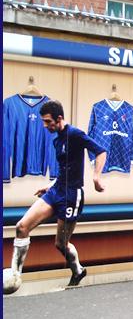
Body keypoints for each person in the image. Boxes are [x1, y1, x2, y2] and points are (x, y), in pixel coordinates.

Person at [8, 100, 107, 290]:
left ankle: (78, 270)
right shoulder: (57, 140)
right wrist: (50, 185)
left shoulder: (75, 134)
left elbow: (101, 151)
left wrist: (96, 177)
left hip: (72, 196)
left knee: (61, 244)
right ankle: (14, 277)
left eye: (47, 122)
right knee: (21, 227)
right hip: (56, 191)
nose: (45, 126)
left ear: (59, 119)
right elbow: (65, 169)